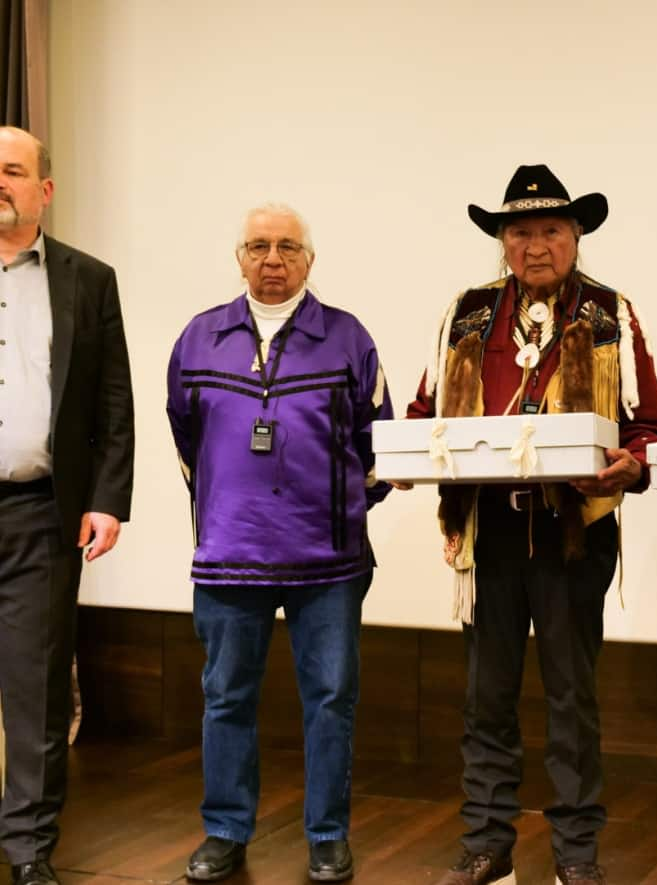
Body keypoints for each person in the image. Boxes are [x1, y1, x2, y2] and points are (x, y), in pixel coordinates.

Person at [406, 164, 657, 885]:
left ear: (576, 236)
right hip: (486, 536)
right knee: (485, 697)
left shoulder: (612, 313)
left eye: (551, 229)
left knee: (572, 699)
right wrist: (402, 459)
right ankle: (486, 844)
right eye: (518, 230)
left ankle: (576, 854)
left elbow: (651, 429)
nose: (535, 244)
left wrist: (630, 466)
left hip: (573, 536)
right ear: (501, 241)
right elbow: (423, 417)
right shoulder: (465, 313)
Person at [166, 204, 392, 883]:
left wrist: (343, 509)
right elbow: (186, 439)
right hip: (229, 560)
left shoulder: (348, 338)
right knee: (227, 697)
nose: (272, 259)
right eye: (258, 246)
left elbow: (375, 443)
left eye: (287, 246)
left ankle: (327, 836)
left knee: (330, 700)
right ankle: (225, 830)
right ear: (239, 256)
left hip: (328, 563)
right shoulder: (199, 338)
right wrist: (223, 509)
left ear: (309, 260)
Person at [0, 126, 134, 885]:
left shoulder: (88, 279)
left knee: (37, 688)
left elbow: (112, 399)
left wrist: (108, 498)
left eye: (14, 171)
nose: (0, 183)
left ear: (44, 190)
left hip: (39, 515)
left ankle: (27, 849)